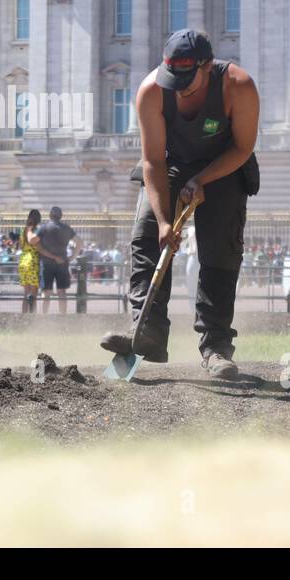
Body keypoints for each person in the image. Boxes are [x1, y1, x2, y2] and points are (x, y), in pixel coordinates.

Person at [100, 29, 260, 380]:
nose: (179, 86)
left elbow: (242, 148)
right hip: (169, 166)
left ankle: (216, 347)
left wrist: (201, 180)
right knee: (145, 240)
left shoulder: (238, 86)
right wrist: (162, 222)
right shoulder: (151, 91)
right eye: (174, 78)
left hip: (224, 167)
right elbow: (153, 162)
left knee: (220, 250)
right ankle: (147, 335)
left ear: (207, 65)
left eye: (187, 79)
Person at [36, 206, 79, 314]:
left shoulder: (43, 228)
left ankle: (43, 318)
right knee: (62, 292)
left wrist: (52, 257)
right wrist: (72, 257)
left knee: (46, 292)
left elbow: (37, 246)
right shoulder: (66, 228)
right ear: (61, 216)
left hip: (46, 264)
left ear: (50, 215)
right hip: (63, 263)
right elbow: (80, 242)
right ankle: (63, 318)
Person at [17, 208, 42, 313]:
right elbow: (35, 244)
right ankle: (33, 318)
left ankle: (24, 317)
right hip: (33, 261)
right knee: (33, 294)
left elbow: (20, 246)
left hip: (23, 260)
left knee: (26, 292)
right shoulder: (35, 230)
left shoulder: (23, 230)